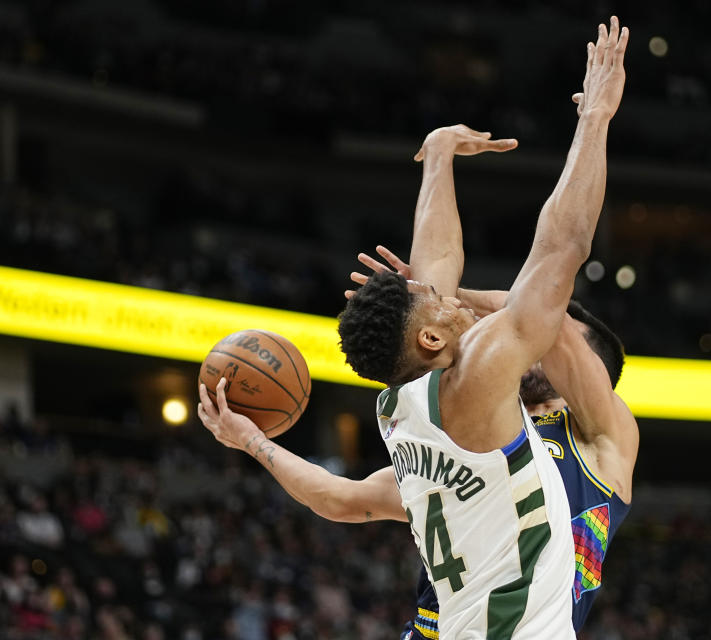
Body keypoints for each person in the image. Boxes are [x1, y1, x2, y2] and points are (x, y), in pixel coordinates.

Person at [202, 16, 628, 637]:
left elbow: (338, 499)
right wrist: (595, 121)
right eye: (441, 307)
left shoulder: (403, 409)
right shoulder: (482, 383)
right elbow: (557, 254)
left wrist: (437, 159)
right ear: (430, 341)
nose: (454, 302)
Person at [352, 247, 636, 637]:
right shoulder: (488, 414)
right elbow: (347, 498)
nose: (540, 351)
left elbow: (542, 313)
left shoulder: (603, 434)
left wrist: (448, 296)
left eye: (555, 349)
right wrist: (417, 295)